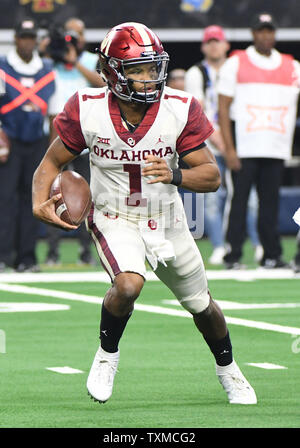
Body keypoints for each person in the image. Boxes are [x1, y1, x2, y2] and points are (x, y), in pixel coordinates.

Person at [32, 22, 257, 405]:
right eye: (137, 69)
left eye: (153, 68)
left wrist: (175, 174)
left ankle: (228, 368)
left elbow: (212, 176)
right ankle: (106, 356)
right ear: (113, 72)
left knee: (203, 306)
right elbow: (50, 163)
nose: (149, 77)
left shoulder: (180, 107)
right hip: (113, 214)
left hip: (167, 219)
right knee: (128, 285)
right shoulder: (86, 109)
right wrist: (39, 201)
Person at [218, 12, 300, 269]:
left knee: (270, 204)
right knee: (239, 202)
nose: (266, 35)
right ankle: (233, 255)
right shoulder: (237, 62)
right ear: (253, 34)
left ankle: (272, 255)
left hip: (275, 147)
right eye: (261, 31)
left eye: (270, 30)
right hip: (245, 147)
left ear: (274, 33)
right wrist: (229, 149)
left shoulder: (291, 65)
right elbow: (222, 107)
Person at [185, 25, 262, 265]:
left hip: (240, 144)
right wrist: (222, 142)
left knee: (249, 198)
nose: (214, 45)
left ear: (226, 44)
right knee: (212, 200)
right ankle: (220, 245)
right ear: (203, 46)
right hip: (210, 145)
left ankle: (257, 244)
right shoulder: (196, 73)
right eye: (209, 42)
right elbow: (199, 112)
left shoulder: (238, 68)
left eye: (217, 41)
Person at [45, 17, 106, 265]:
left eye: (77, 34)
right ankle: (51, 253)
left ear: (84, 38)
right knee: (51, 195)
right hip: (55, 137)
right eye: (68, 34)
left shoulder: (91, 60)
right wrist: (52, 46)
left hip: (86, 138)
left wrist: (75, 63)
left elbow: (103, 83)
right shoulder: (51, 60)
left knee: (86, 197)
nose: (72, 38)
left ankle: (85, 252)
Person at [0, 18, 55, 273]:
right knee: (5, 199)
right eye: (23, 37)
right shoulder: (2, 67)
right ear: (16, 38)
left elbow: (54, 113)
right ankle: (4, 256)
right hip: (8, 142)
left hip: (37, 142)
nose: (27, 42)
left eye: (31, 37)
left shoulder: (46, 69)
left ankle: (27, 258)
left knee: (32, 201)